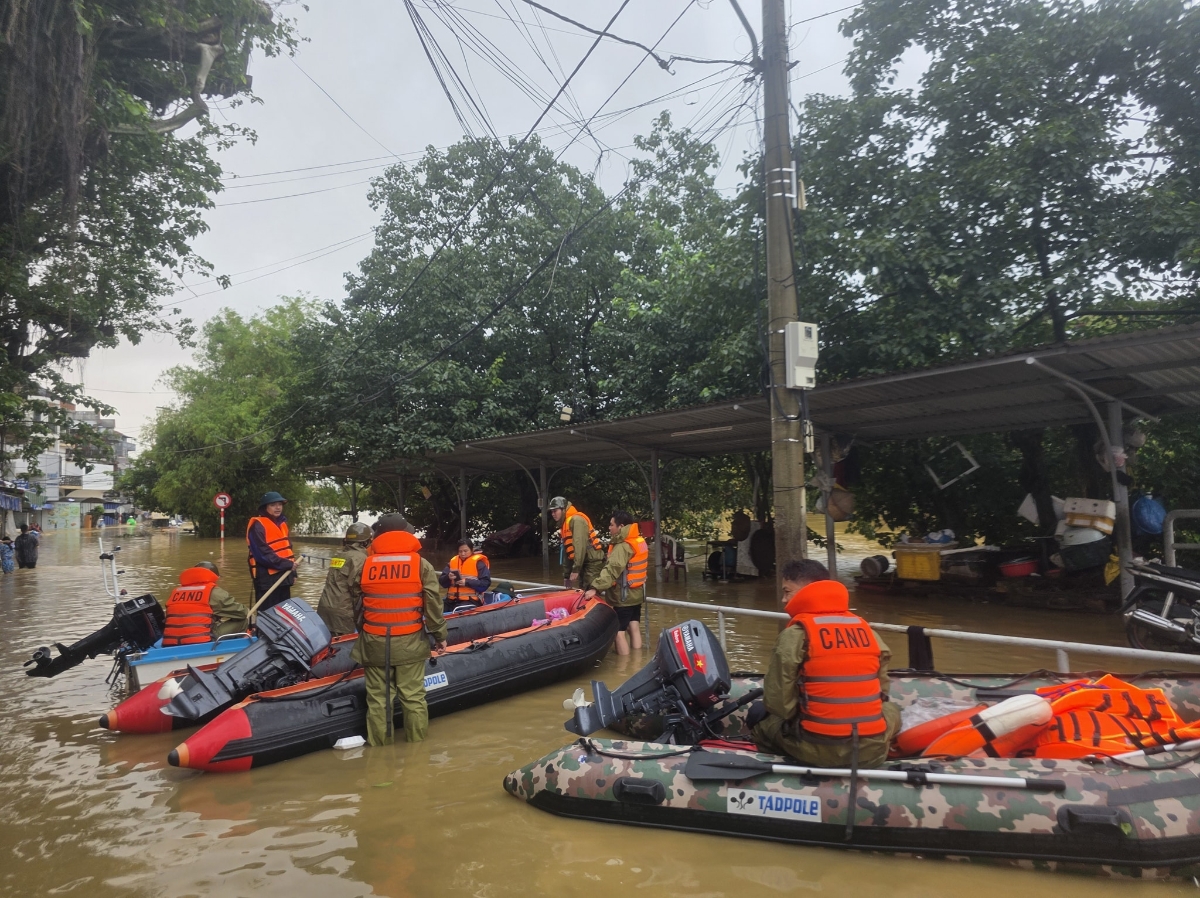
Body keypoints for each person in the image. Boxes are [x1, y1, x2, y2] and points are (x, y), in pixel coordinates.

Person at [750, 559, 901, 768]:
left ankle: (778, 774)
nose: (784, 600)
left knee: (763, 724)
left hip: (817, 751)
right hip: (872, 751)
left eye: (787, 591)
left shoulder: (795, 635)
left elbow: (780, 705)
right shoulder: (867, 630)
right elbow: (882, 691)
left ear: (808, 590)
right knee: (892, 710)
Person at [353, 513, 448, 746]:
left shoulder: (365, 564)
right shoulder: (420, 565)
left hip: (374, 642)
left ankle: (379, 755)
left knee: (378, 700)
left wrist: (366, 632)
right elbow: (433, 605)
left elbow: (357, 607)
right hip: (409, 642)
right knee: (413, 698)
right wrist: (439, 635)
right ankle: (416, 755)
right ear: (403, 533)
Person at [582, 510, 647, 656]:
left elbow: (611, 570)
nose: (609, 528)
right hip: (636, 593)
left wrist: (595, 588)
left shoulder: (623, 546)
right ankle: (637, 660)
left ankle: (623, 666)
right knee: (634, 626)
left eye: (611, 525)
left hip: (624, 596)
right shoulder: (639, 541)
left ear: (621, 526)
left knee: (619, 632)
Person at [160, 561, 249, 645]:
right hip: (201, 642)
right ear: (214, 577)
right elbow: (242, 613)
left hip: (170, 642)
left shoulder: (176, 592)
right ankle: (237, 645)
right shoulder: (213, 592)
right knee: (243, 621)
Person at [317, 522, 373, 636]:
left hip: (325, 608)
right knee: (345, 648)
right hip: (344, 613)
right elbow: (356, 590)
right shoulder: (361, 559)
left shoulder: (339, 555)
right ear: (366, 541)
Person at [246, 491, 298, 611]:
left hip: (284, 576)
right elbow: (262, 555)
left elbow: (288, 549)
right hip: (267, 579)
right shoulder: (257, 526)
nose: (278, 507)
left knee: (284, 612)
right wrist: (288, 565)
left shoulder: (283, 524)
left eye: (280, 504)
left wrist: (293, 573)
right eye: (273, 505)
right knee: (268, 612)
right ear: (265, 507)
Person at [548, 496, 604, 590]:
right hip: (584, 562)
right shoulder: (565, 524)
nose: (553, 514)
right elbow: (568, 552)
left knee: (590, 590)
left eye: (555, 511)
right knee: (582, 589)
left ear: (563, 509)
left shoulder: (576, 520)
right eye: (551, 511)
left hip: (592, 562)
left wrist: (576, 569)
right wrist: (567, 576)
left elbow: (579, 546)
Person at [438, 540, 491, 612]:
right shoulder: (452, 562)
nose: (462, 554)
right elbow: (442, 583)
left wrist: (466, 582)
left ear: (472, 550)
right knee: (435, 611)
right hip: (451, 600)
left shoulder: (479, 564)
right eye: (460, 551)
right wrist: (448, 577)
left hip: (471, 600)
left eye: (465, 551)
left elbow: (485, 584)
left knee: (458, 610)